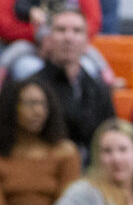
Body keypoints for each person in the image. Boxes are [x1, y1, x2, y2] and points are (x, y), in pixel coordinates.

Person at [0, 76, 81, 205]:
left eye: (43, 104)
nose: (38, 111)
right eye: (30, 104)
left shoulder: (65, 152)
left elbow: (69, 201)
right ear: (10, 107)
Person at [35, 9, 117, 161]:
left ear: (87, 43)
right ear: (48, 40)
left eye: (77, 31)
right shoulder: (31, 87)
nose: (69, 37)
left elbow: (109, 137)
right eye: (61, 30)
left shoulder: (99, 91)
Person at [56, 119, 133, 205]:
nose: (116, 158)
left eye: (123, 149)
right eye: (107, 151)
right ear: (98, 156)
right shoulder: (83, 193)